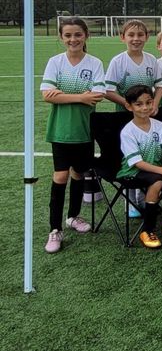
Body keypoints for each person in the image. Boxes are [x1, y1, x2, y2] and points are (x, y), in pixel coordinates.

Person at [41, 17, 105, 253]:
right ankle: (54, 230)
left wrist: (63, 94)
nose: (73, 39)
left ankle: (73, 217)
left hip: (85, 130)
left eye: (77, 34)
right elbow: (47, 94)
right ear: (61, 37)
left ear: (85, 35)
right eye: (68, 35)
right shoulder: (55, 62)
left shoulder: (95, 63)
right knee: (60, 177)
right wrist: (80, 97)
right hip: (60, 130)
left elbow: (97, 95)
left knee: (79, 174)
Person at [117, 85, 162, 249]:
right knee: (157, 181)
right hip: (134, 171)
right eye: (139, 104)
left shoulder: (159, 126)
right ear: (129, 106)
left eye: (148, 102)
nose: (145, 107)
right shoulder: (128, 131)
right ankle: (147, 230)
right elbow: (137, 163)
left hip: (156, 166)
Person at [105, 19, 162, 113]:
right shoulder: (117, 61)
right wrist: (130, 105)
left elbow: (160, 86)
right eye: (131, 35)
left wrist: (154, 105)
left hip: (147, 113)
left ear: (147, 37)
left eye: (140, 35)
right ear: (123, 37)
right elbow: (107, 91)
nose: (136, 38)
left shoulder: (152, 59)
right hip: (125, 114)